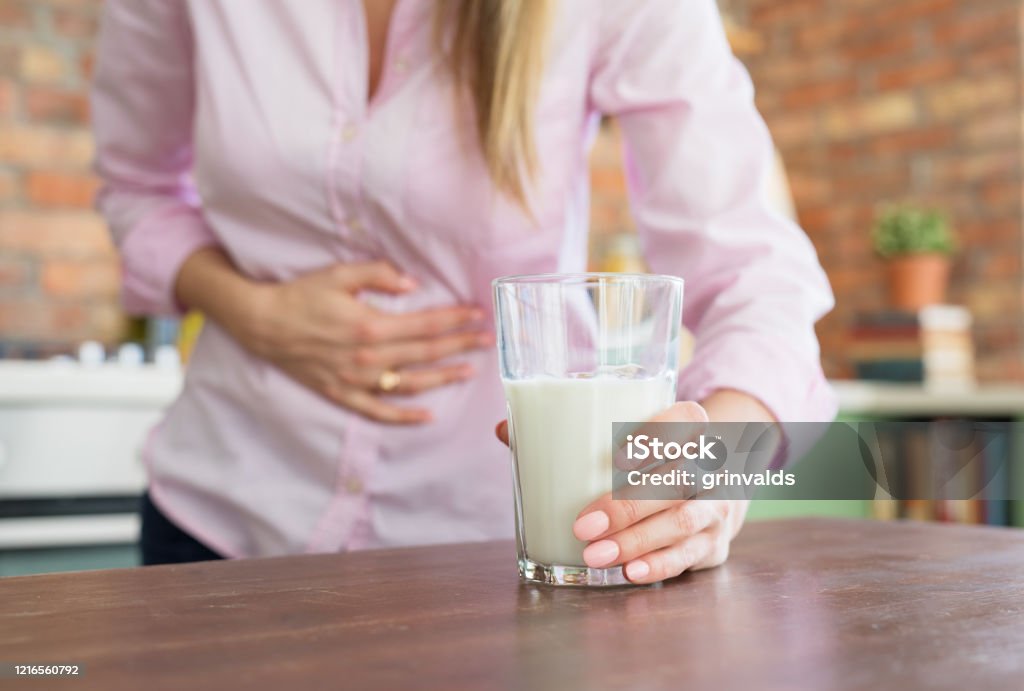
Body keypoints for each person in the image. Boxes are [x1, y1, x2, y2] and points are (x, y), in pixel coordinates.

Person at [92, 0, 836, 584]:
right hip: (224, 515)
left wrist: (711, 474)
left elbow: (757, 273)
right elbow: (138, 188)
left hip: (491, 553)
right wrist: (252, 310)